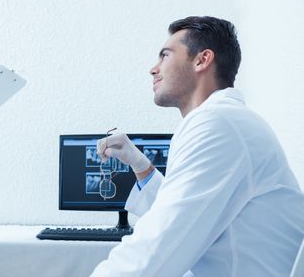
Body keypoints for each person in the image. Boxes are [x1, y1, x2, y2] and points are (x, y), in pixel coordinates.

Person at [92, 16, 304, 276]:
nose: (153, 68)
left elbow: (156, 250)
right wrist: (142, 167)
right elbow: (188, 215)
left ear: (202, 60)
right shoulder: (223, 121)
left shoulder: (218, 124)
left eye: (165, 56)